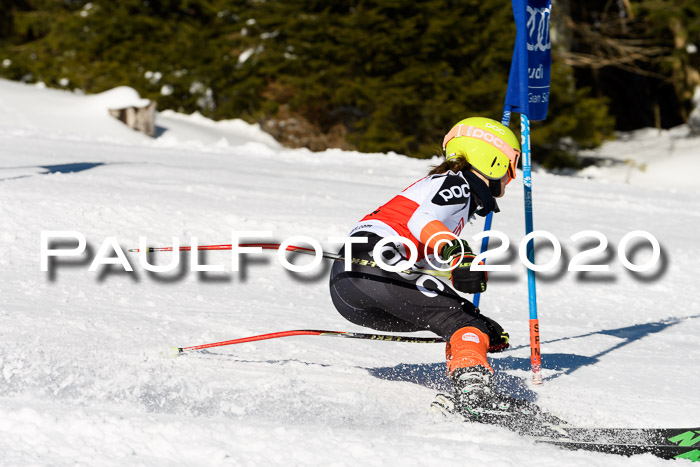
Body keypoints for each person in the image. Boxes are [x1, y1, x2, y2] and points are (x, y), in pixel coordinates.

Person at [328, 116, 521, 418]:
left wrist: (471, 308)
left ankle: (467, 383)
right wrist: (457, 253)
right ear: (493, 159)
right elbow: (421, 221)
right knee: (463, 323)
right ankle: (474, 394)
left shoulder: (443, 191)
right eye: (513, 164)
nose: (511, 176)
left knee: (463, 322)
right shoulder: (456, 185)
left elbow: (421, 261)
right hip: (373, 266)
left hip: (349, 284)